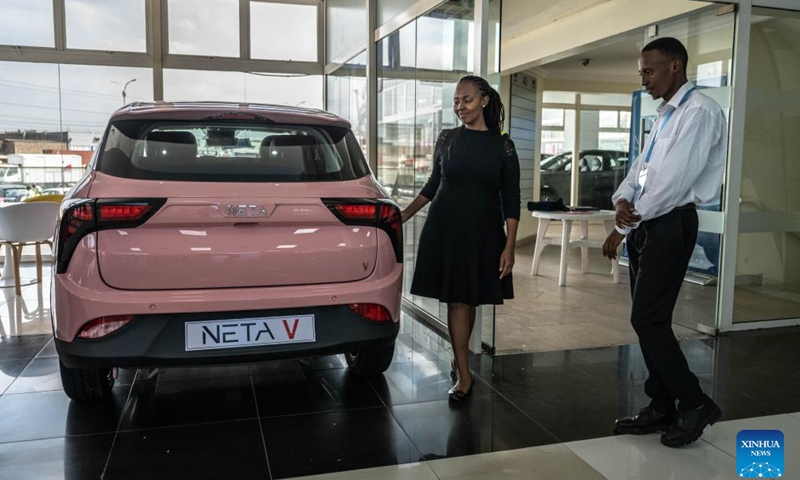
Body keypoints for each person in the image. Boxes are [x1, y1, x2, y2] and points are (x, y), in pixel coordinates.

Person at [602, 37, 725, 447]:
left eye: (649, 71)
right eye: (641, 72)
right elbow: (643, 168)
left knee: (648, 319)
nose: (644, 79)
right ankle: (661, 404)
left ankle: (694, 402)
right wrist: (622, 199)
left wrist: (621, 229)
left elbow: (671, 184)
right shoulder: (666, 115)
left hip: (670, 223)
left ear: (675, 66)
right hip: (647, 223)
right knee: (648, 318)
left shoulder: (700, 112)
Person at [401, 75, 520, 401]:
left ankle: (460, 358)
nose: (460, 106)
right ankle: (464, 375)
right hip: (445, 228)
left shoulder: (503, 146)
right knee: (457, 299)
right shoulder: (447, 138)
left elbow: (511, 198)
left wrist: (510, 245)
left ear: (484, 100)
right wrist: (403, 215)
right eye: (456, 101)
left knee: (470, 297)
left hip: (483, 232)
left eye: (466, 99)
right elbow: (433, 184)